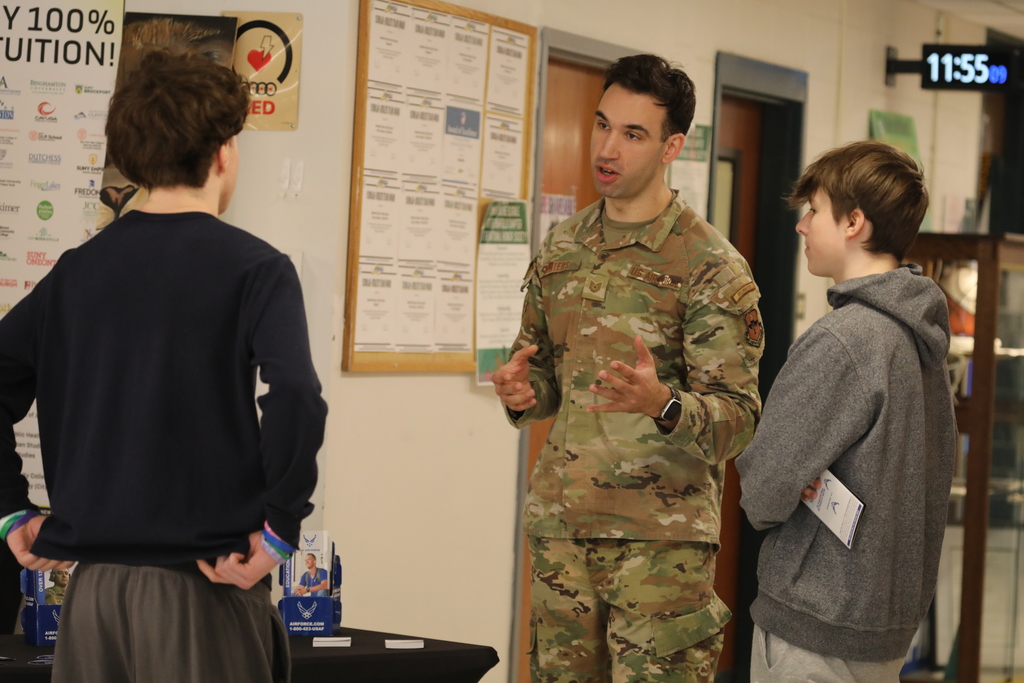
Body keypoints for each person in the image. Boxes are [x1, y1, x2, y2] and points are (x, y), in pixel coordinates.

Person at [0, 50, 327, 683]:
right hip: (206, 591)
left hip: (92, 602)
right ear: (225, 151)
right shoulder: (256, 268)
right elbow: (295, 395)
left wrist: (12, 506)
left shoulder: (76, 273)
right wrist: (281, 527)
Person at [493, 53, 763, 682]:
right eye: (602, 125)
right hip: (562, 532)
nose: (607, 147)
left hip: (660, 550)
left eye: (633, 134)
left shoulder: (710, 265)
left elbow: (739, 420)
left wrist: (661, 403)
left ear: (672, 146)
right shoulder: (564, 245)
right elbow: (544, 378)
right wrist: (519, 391)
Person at [735, 140, 956, 681]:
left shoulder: (845, 340)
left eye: (814, 210)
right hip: (885, 629)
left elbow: (761, 492)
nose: (802, 226)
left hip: (816, 628)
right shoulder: (920, 337)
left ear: (854, 222)